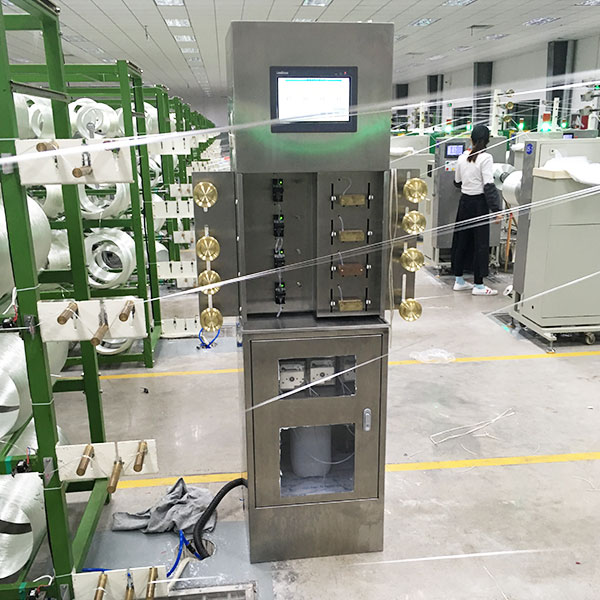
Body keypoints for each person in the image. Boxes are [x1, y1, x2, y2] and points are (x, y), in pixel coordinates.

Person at [451, 124, 502, 296]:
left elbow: (457, 182)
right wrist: (497, 210)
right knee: (480, 243)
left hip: (464, 203)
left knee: (461, 241)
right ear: (487, 141)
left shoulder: (462, 157)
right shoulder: (486, 158)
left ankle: (459, 280)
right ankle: (479, 285)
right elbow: (488, 185)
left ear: (471, 139)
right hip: (479, 204)